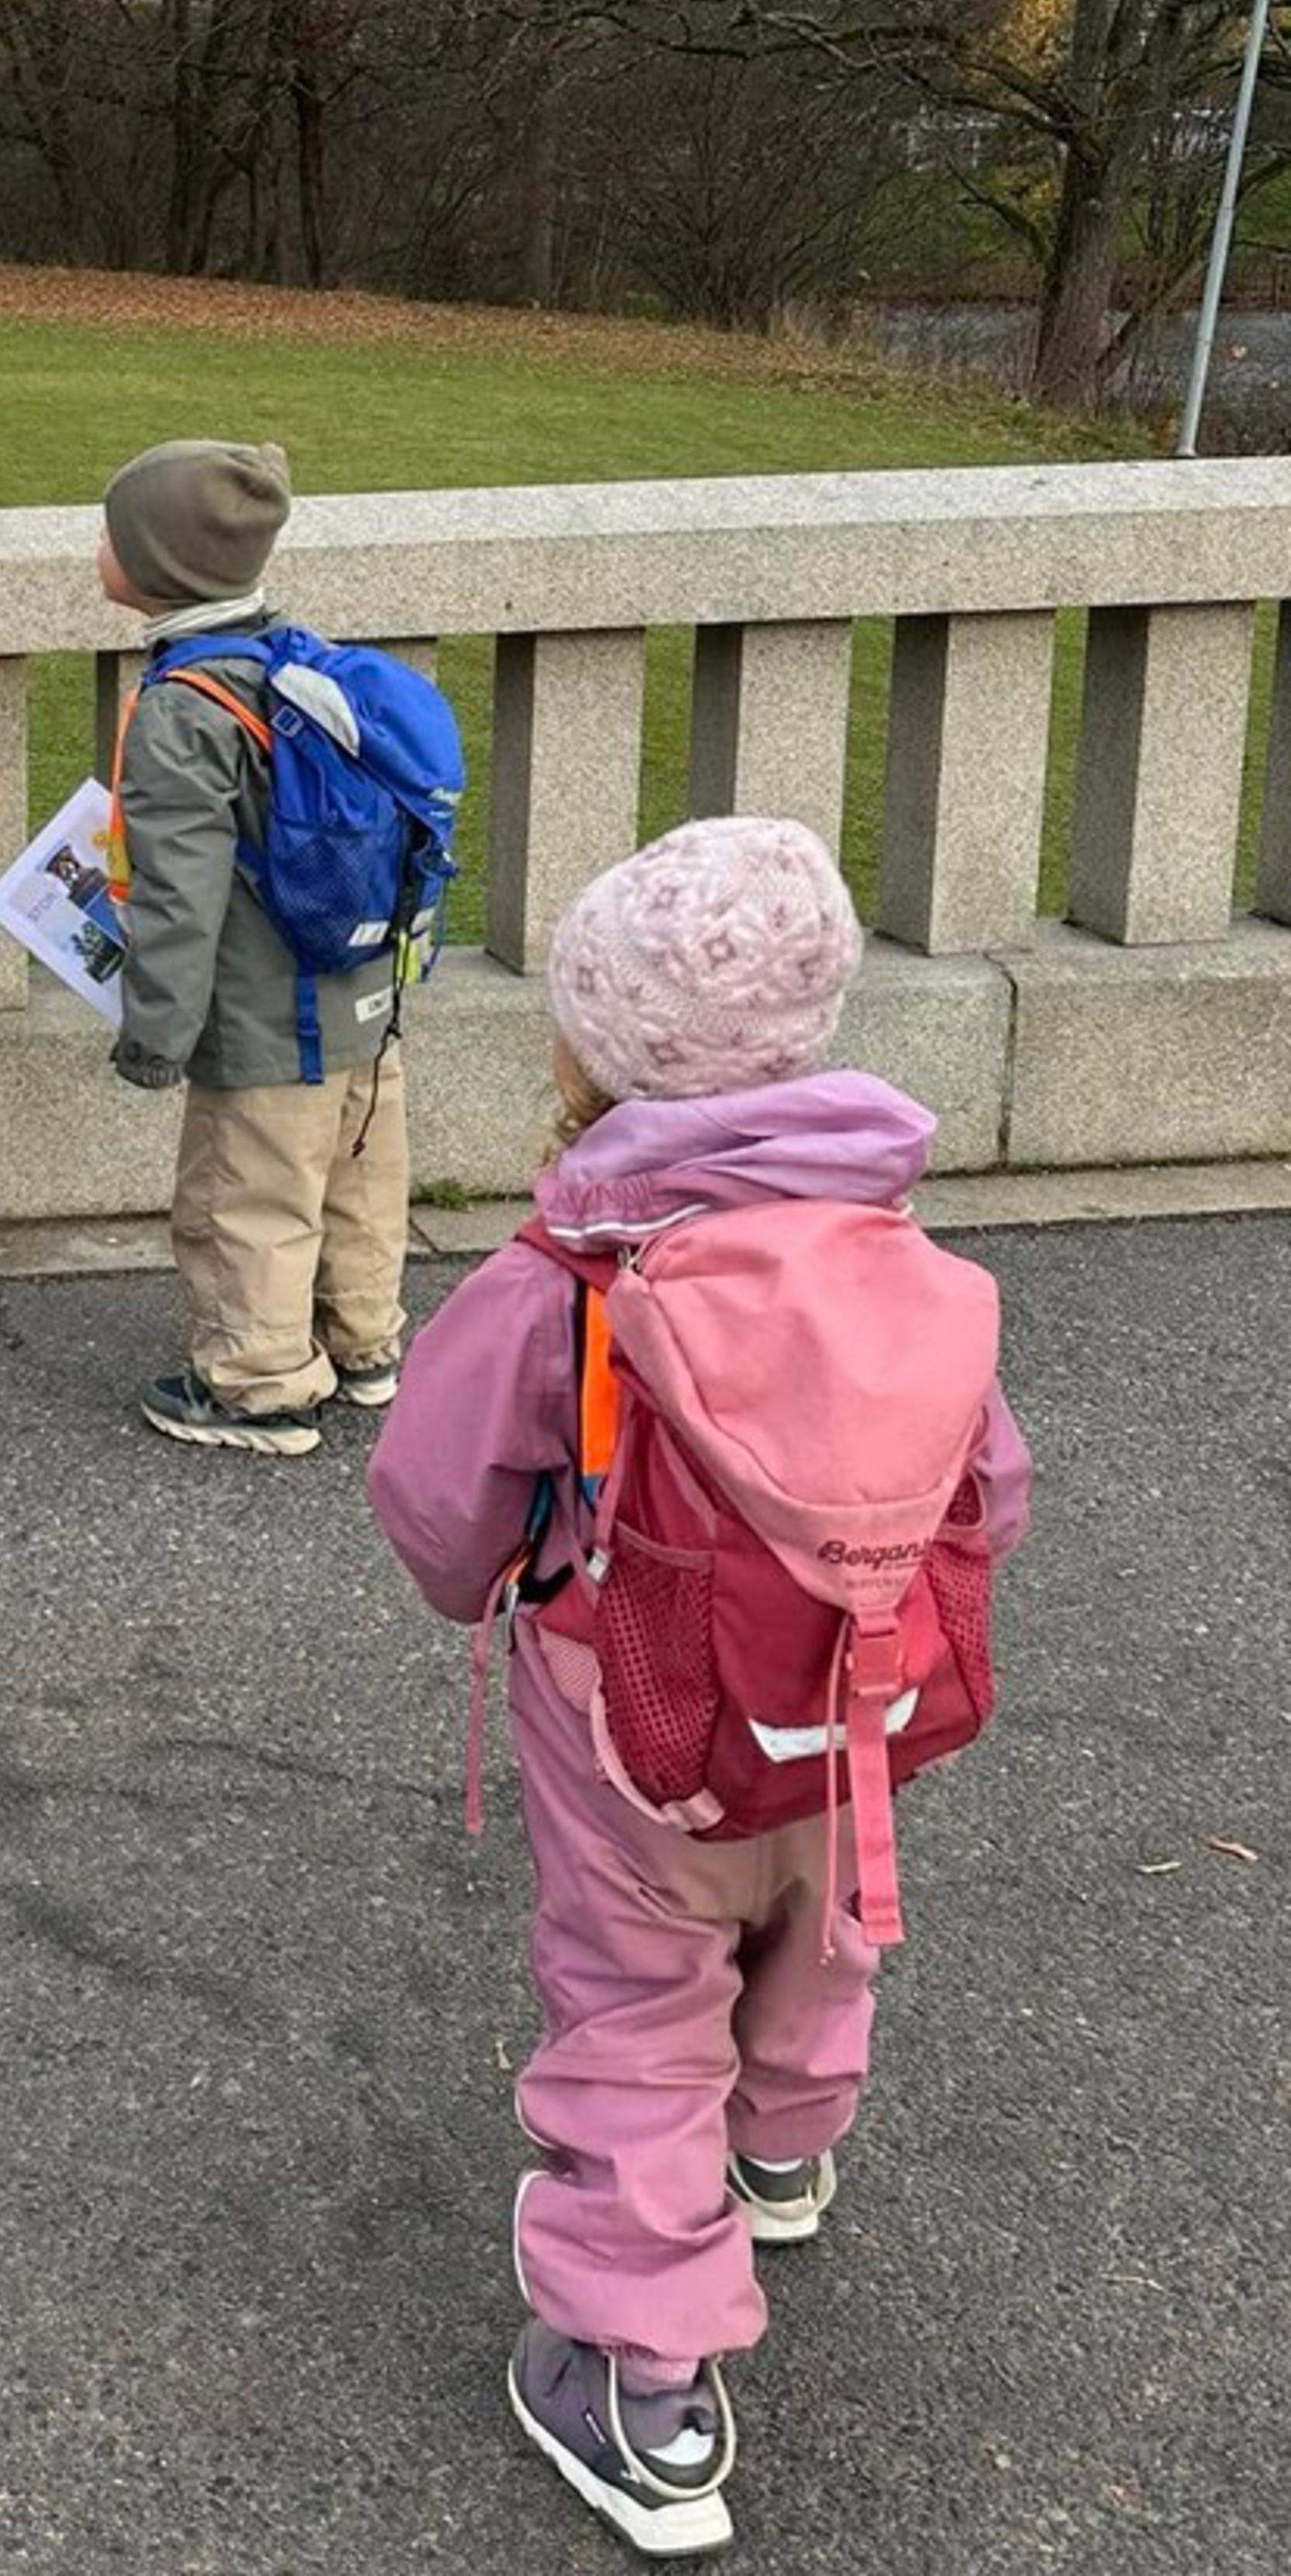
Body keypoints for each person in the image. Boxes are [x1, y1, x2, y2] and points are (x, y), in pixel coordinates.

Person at [367, 819, 1032, 2559]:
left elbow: (438, 1502)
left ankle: (642, 2383)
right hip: (859, 1703)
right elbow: (993, 1487)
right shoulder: (888, 1242)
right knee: (825, 1924)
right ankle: (787, 2146)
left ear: (601, 1048)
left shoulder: (573, 1273)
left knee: (637, 2001)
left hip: (635, 1715)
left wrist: (484, 1585)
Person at [97, 438, 410, 1455]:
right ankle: (363, 1344)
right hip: (361, 992)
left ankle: (257, 1382)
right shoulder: (296, 662)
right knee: (357, 1173)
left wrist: (154, 1034)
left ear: (158, 567)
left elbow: (178, 897)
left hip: (263, 1013)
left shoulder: (186, 708)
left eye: (112, 532)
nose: (97, 546)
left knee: (246, 1194)